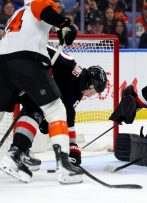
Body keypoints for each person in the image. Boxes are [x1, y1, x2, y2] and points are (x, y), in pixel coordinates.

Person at [0, 0, 81, 184]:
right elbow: (43, 9)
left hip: (2, 63)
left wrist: (60, 30)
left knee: (31, 106)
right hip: (27, 60)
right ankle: (64, 165)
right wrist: (64, 24)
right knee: (56, 109)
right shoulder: (39, 4)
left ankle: (15, 154)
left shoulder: (17, 13)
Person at [15, 45, 107, 171]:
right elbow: (68, 114)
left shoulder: (77, 76)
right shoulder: (77, 84)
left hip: (21, 63)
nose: (92, 95)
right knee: (35, 111)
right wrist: (73, 147)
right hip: (28, 64)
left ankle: (18, 150)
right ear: (91, 84)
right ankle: (18, 152)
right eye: (94, 91)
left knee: (34, 110)